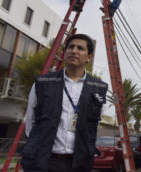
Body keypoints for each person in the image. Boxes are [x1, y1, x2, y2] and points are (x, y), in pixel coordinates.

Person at [21, 34, 107, 172]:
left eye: (80, 48)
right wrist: (36, 147)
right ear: (65, 52)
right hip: (42, 162)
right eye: (71, 47)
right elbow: (31, 120)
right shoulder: (43, 83)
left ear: (89, 57)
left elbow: (93, 124)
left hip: (78, 164)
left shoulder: (99, 88)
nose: (74, 51)